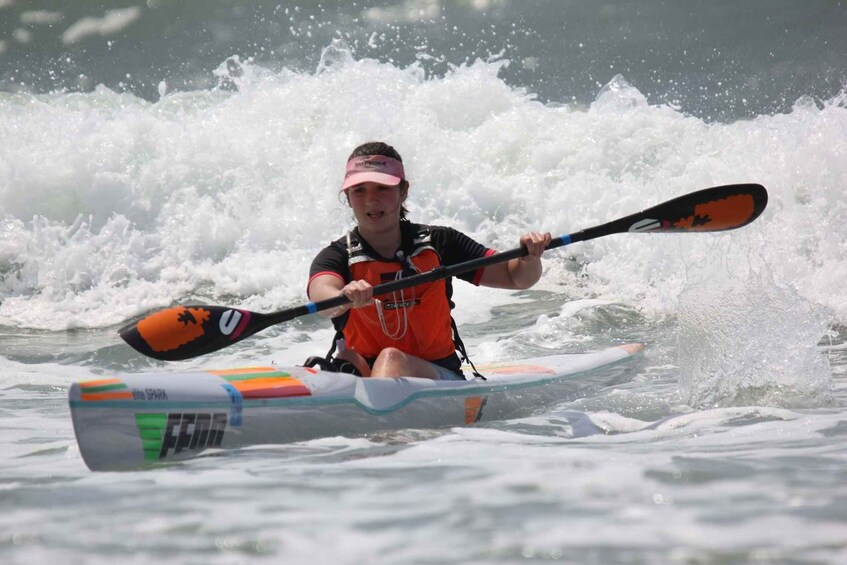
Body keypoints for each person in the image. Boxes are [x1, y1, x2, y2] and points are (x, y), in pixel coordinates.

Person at [307, 141, 551, 380]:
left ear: (403, 191)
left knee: (390, 358)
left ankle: (373, 411)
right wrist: (343, 296)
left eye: (382, 188)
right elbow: (322, 295)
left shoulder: (440, 242)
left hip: (438, 377)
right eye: (359, 190)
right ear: (348, 198)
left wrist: (529, 258)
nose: (371, 200)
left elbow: (515, 277)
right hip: (367, 376)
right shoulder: (337, 255)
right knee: (347, 360)